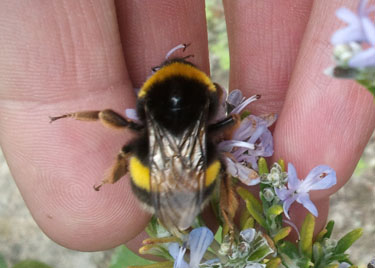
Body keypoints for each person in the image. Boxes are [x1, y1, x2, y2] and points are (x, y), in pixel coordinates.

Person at [0, 0, 374, 253]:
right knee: (220, 172)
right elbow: (225, 120)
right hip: (184, 168)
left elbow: (119, 123)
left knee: (129, 148)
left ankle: (216, 217)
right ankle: (228, 221)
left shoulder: (150, 108)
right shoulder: (206, 115)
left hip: (162, 174)